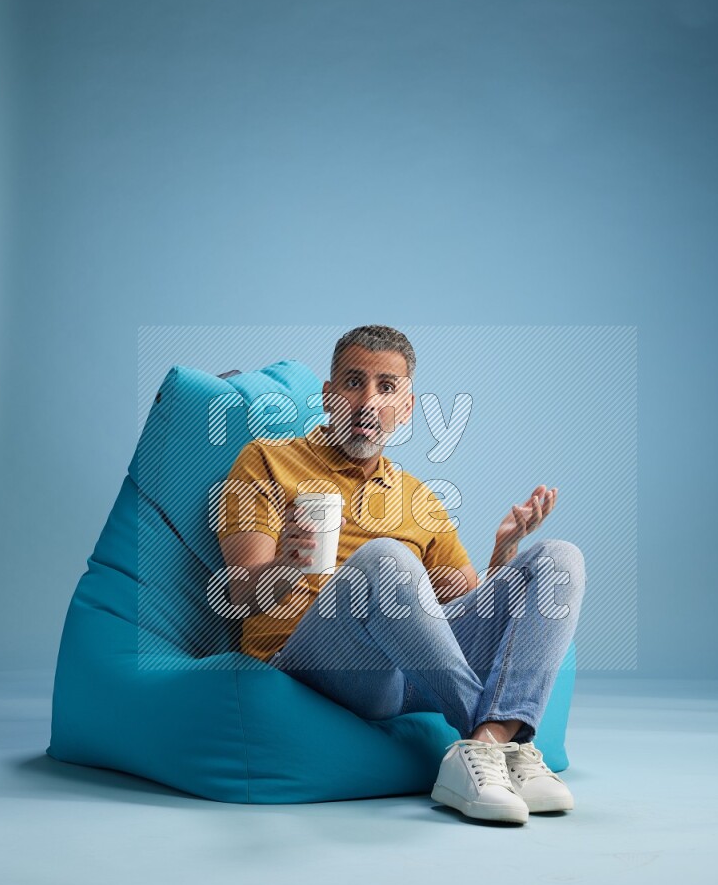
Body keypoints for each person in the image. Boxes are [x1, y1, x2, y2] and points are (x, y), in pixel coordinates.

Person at [217, 325, 586, 825]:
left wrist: (502, 557)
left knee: (558, 559)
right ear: (329, 396)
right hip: (310, 662)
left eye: (387, 388)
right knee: (386, 558)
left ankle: (490, 743)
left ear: (406, 409)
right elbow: (238, 591)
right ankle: (505, 740)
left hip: (406, 677)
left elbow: (474, 626)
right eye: (353, 382)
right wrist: (284, 566)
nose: (368, 401)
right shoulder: (266, 460)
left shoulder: (420, 499)